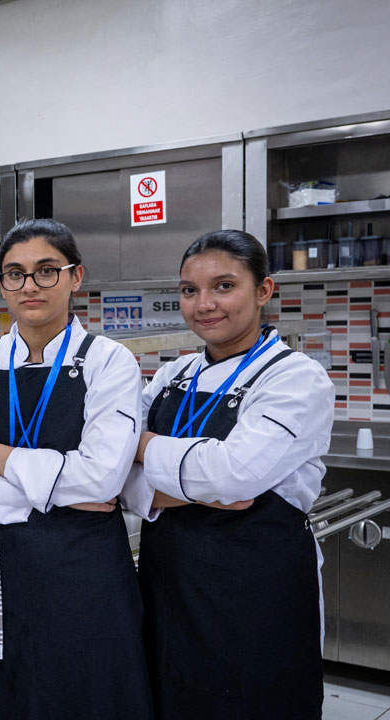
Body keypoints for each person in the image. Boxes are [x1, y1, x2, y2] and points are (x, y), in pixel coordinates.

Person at [0, 218, 152, 718]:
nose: (29, 285)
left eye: (46, 271)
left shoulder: (109, 362)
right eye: (14, 274)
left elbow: (102, 477)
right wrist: (61, 488)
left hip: (88, 573)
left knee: (91, 695)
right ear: (1, 285)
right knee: (3, 700)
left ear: (76, 277)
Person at [122, 229, 332, 719]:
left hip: (256, 595)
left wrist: (141, 448)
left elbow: (232, 476)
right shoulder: (173, 375)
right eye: (189, 290)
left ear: (263, 291)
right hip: (169, 586)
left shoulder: (294, 377)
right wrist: (199, 487)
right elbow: (112, 473)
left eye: (223, 286)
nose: (203, 304)